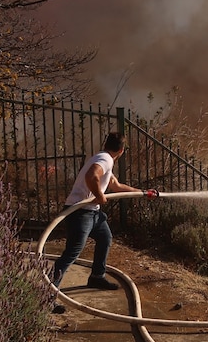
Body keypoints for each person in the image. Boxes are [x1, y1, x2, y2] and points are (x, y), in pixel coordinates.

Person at [50, 132, 158, 313]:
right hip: (80, 213)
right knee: (72, 253)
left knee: (105, 237)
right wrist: (99, 196)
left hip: (92, 214)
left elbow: (115, 185)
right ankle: (47, 294)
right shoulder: (105, 160)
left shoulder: (104, 158)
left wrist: (142, 192)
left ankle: (96, 276)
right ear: (122, 150)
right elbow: (92, 176)